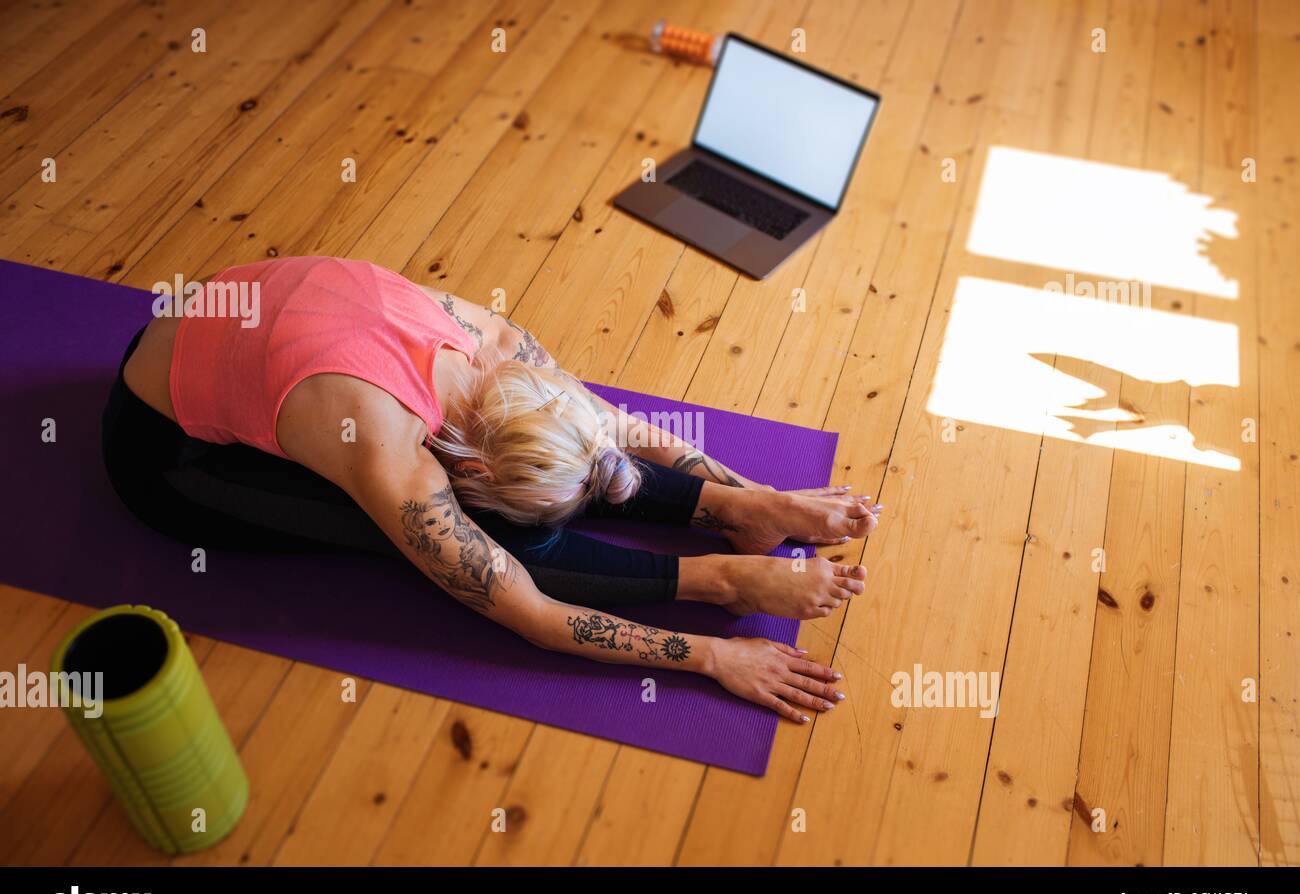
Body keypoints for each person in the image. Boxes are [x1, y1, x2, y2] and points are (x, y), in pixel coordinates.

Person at [104, 256, 881, 722]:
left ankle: (734, 519)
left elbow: (597, 429)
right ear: (464, 470)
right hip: (168, 452)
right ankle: (716, 575)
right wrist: (714, 653)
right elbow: (530, 612)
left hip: (234, 344)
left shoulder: (497, 347)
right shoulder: (387, 449)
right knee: (416, 537)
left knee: (569, 462)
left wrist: (744, 494)